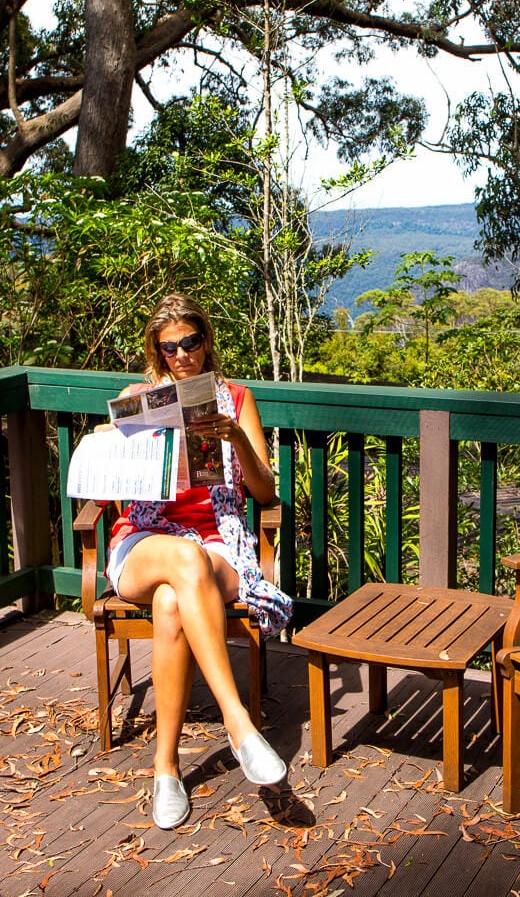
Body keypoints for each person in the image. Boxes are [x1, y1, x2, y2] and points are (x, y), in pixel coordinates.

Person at [104, 293, 292, 830]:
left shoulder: (235, 398)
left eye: (189, 342)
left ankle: (165, 769)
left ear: (205, 342)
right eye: (169, 348)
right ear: (157, 352)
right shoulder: (138, 397)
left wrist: (236, 439)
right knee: (179, 562)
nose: (181, 355)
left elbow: (264, 492)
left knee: (171, 602)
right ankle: (241, 725)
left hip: (218, 541)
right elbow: (113, 469)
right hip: (144, 538)